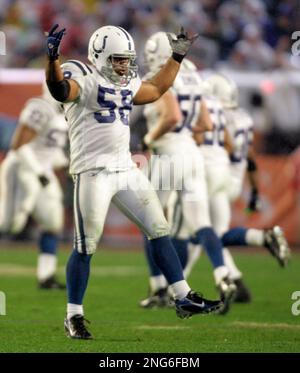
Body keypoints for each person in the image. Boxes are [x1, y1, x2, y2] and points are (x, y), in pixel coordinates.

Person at [45, 24, 223, 340]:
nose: (123, 65)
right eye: (116, 59)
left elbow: (156, 89)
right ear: (98, 56)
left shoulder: (127, 84)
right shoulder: (84, 82)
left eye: (126, 59)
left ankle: (182, 296)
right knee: (86, 246)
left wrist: (177, 57)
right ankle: (74, 315)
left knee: (159, 228)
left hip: (125, 169)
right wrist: (52, 59)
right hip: (92, 173)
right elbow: (60, 89)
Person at [170, 73, 290, 303]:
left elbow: (210, 140)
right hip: (230, 176)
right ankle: (235, 280)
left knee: (205, 232)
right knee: (209, 234)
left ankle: (257, 243)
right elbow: (249, 157)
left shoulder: (214, 110)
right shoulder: (243, 116)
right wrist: (254, 191)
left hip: (210, 172)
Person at [139, 32, 237, 315]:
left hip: (168, 154)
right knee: (201, 223)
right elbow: (204, 122)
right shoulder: (193, 73)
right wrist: (182, 136)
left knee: (151, 222)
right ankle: (222, 275)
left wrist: (149, 139)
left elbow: (172, 117)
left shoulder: (164, 74)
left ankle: (159, 287)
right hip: (192, 154)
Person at [0, 83, 68, 289]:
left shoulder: (64, 113)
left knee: (52, 223)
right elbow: (18, 144)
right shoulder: (41, 107)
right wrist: (39, 172)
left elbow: (50, 150)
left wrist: (69, 164)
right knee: (9, 225)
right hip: (22, 168)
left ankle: (46, 276)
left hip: (42, 172)